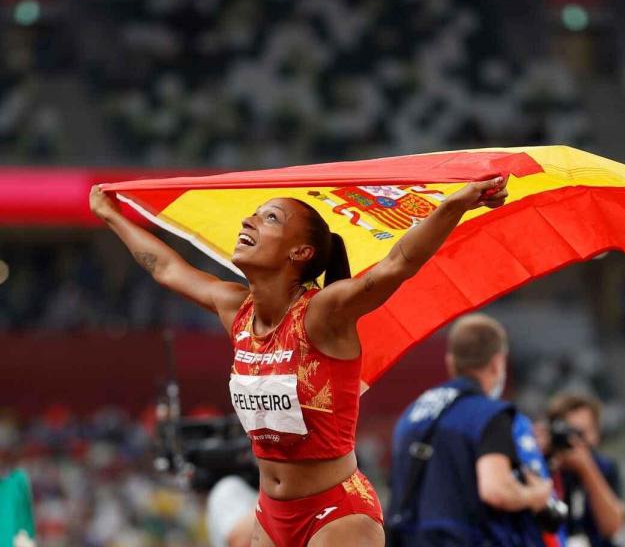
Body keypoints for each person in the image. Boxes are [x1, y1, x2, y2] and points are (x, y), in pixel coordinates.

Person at [89, 176, 509, 547]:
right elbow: (165, 267)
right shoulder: (234, 308)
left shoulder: (324, 314)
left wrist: (456, 203)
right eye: (253, 215)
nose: (248, 222)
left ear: (301, 252)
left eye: (269, 218)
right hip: (271, 516)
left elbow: (398, 265)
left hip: (337, 515)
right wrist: (111, 215)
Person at [387, 313, 554, 546]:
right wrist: (535, 496)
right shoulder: (490, 415)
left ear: (451, 362)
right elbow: (496, 490)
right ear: (497, 362)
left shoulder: (412, 413)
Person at [543, 393, 625, 547]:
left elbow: (612, 527)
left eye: (582, 433)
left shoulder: (605, 468)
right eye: (569, 432)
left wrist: (586, 469)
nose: (576, 441)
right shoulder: (543, 467)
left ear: (596, 434)